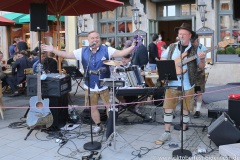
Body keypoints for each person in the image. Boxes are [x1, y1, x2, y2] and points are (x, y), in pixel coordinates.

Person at [42, 30, 135, 134]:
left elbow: (121, 53)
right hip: (89, 85)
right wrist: (53, 50)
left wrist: (132, 46)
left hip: (104, 85)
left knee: (110, 107)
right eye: (92, 38)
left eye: (97, 37)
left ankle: (110, 127)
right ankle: (98, 125)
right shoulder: (82, 51)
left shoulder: (107, 50)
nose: (95, 40)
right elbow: (67, 55)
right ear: (88, 40)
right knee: (93, 107)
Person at [155, 23, 206, 144]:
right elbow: (163, 59)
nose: (181, 36)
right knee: (168, 108)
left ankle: (182, 131)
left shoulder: (196, 49)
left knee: (186, 109)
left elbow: (201, 67)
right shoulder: (172, 47)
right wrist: (170, 65)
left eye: (184, 34)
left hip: (188, 84)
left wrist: (202, 59)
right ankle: (166, 132)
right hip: (172, 83)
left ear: (189, 36)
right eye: (179, 34)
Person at [191, 33, 207, 118]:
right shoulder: (188, 47)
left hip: (198, 74)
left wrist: (202, 59)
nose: (193, 43)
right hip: (189, 73)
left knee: (198, 92)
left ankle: (197, 110)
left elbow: (203, 64)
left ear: (197, 40)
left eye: (194, 42)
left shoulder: (202, 48)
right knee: (189, 91)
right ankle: (188, 109)